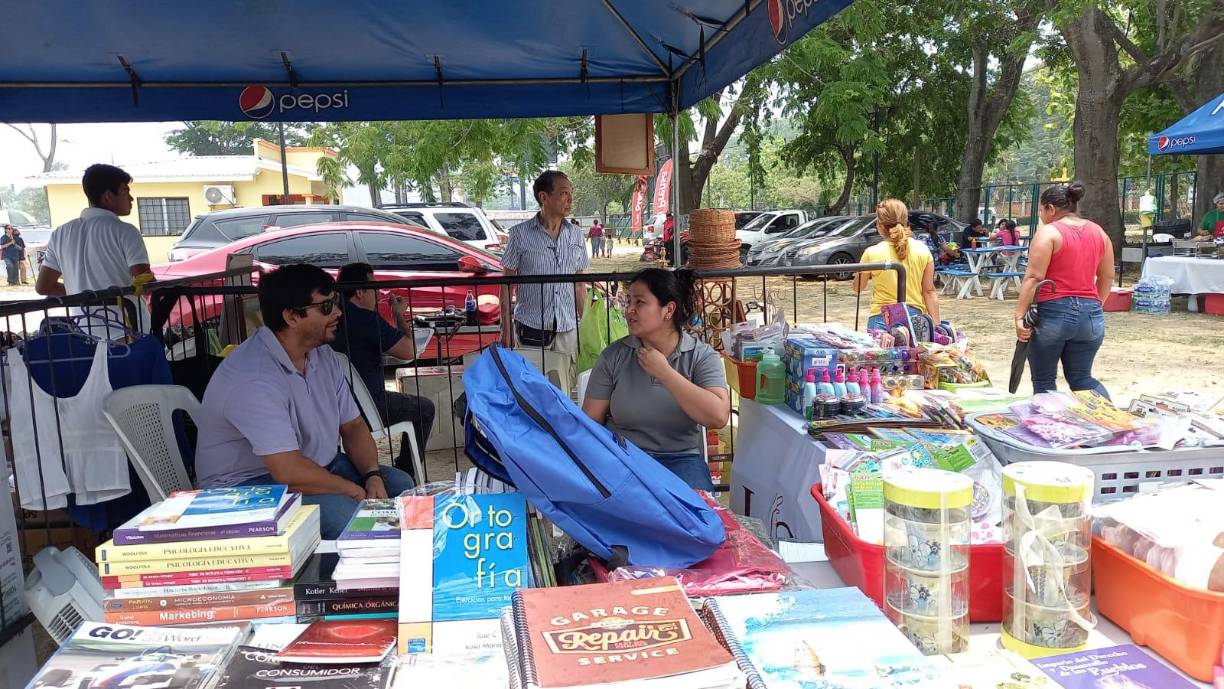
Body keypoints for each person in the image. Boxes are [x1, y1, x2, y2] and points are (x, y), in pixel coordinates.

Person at [194, 264, 415, 539]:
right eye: (326, 306)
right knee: (354, 519)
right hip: (247, 488)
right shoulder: (253, 378)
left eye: (334, 302)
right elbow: (288, 471)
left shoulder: (323, 356)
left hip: (312, 466)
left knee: (400, 487)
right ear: (291, 316)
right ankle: (353, 578)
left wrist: (371, 475)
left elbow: (354, 426)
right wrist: (353, 489)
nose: (337, 312)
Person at [582, 268, 729, 490]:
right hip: (623, 455)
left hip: (680, 459)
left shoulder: (700, 355)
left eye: (639, 302)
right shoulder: (614, 356)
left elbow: (717, 416)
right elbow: (589, 423)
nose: (628, 310)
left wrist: (665, 373)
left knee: (697, 519)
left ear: (668, 310)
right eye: (628, 301)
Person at [331, 262, 435, 477]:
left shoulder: (332, 317)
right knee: (425, 408)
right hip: (368, 407)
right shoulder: (366, 319)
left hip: (334, 408)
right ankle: (407, 470)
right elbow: (409, 350)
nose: (378, 294)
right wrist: (399, 315)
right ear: (360, 291)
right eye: (374, 288)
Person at [1015, 182, 1114, 398]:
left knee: (1044, 381)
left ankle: (1050, 428)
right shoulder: (1099, 233)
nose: (1041, 215)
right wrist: (1096, 305)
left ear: (1051, 209)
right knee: (1082, 378)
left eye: (1041, 210)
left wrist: (1019, 316)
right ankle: (1111, 423)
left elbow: (1033, 277)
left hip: (1053, 312)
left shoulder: (1048, 233)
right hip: (1091, 315)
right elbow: (1107, 276)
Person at [36, 164, 151, 331]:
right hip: (128, 329)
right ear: (108, 196)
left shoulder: (60, 233)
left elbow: (43, 287)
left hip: (86, 330)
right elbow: (143, 278)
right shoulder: (126, 231)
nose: (131, 199)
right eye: (126, 192)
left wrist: (84, 295)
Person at [499, 170, 589, 360]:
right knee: (531, 387)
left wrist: (587, 326)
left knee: (564, 386)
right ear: (544, 197)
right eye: (564, 193)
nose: (570, 199)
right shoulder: (520, 235)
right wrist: (506, 328)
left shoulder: (576, 235)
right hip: (531, 328)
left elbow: (579, 284)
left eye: (571, 193)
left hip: (568, 329)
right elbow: (506, 283)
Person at [853, 199, 941, 332]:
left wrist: (857, 275)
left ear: (880, 225)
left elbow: (858, 287)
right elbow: (929, 291)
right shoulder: (922, 249)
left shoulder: (871, 253)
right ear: (906, 221)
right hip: (914, 318)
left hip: (881, 318)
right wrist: (937, 326)